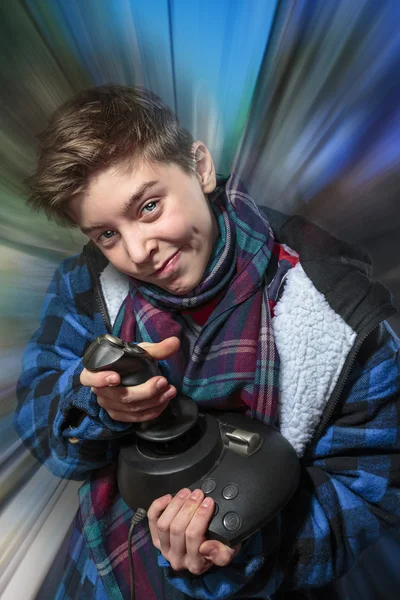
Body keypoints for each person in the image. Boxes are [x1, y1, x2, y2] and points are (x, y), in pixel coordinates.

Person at [14, 85, 400, 600]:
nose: (138, 251)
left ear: (199, 167)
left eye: (149, 206)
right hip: (100, 577)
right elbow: (40, 423)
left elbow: (370, 494)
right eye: (106, 235)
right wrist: (95, 402)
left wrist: (243, 544)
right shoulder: (84, 287)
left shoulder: (343, 318)